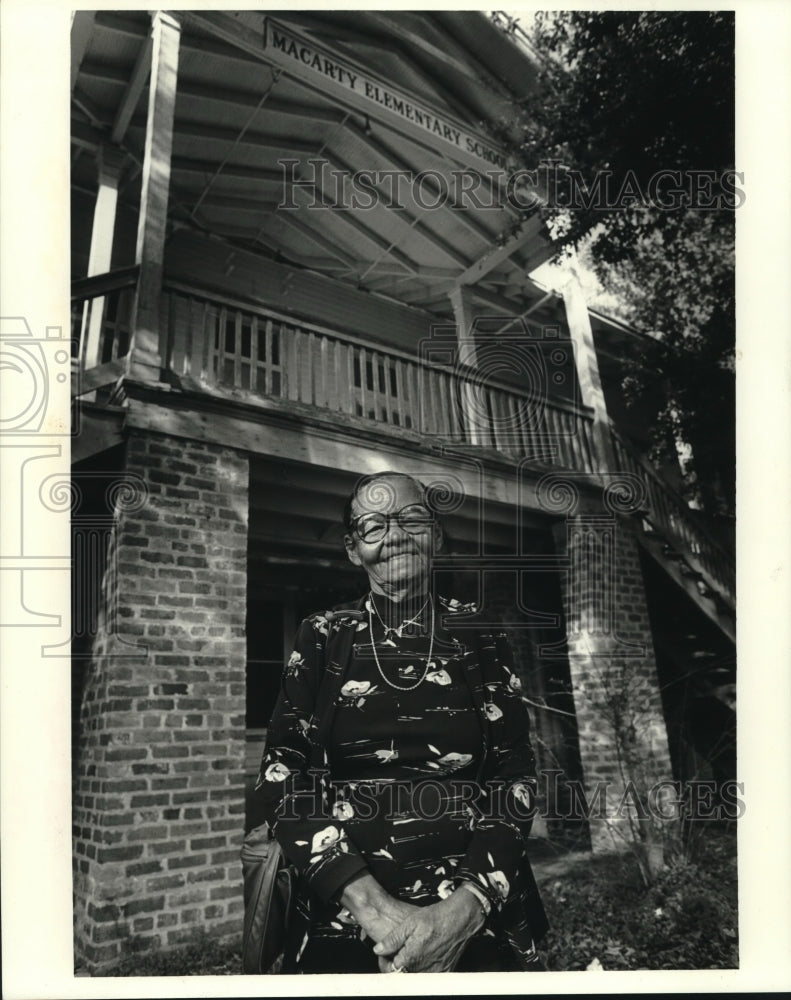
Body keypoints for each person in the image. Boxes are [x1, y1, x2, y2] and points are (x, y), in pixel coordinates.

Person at [255, 471, 548, 973]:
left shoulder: (477, 633)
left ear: (435, 534)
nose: (393, 535)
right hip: (348, 924)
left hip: (476, 917)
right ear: (353, 548)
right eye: (373, 526)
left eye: (411, 518)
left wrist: (462, 913)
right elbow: (282, 777)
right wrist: (378, 913)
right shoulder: (324, 635)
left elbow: (514, 779)